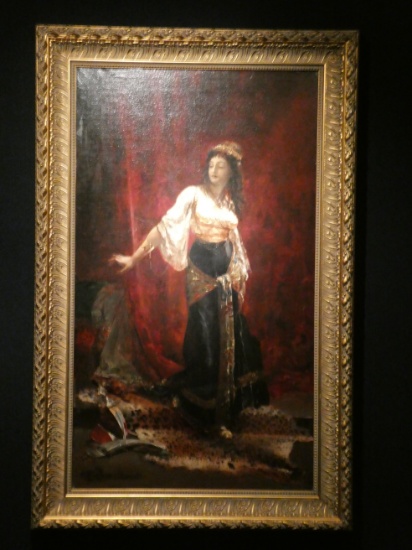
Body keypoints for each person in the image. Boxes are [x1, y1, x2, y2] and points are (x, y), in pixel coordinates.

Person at [111, 141, 269, 437]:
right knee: (206, 344)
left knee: (229, 341)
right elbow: (163, 229)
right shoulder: (192, 195)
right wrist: (133, 258)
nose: (214, 170)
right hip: (201, 274)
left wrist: (238, 270)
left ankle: (224, 415)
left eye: (221, 166)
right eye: (211, 165)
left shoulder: (229, 202)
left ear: (231, 172)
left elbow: (234, 242)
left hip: (226, 278)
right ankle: (200, 413)